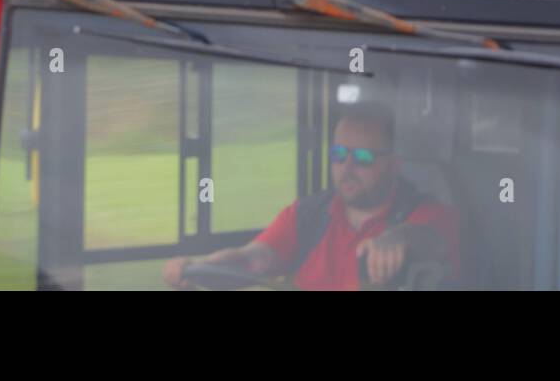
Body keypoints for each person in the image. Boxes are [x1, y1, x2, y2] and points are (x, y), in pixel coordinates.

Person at [163, 102, 459, 290]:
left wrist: (398, 239)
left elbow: (430, 239)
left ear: (394, 165)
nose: (348, 166)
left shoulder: (427, 214)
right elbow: (256, 260)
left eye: (364, 157)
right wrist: (205, 267)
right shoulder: (307, 215)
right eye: (339, 154)